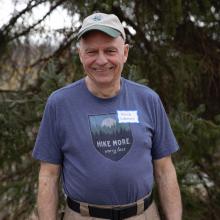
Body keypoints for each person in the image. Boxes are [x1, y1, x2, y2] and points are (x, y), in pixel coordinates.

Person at [33, 12, 182, 220]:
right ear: (80, 54)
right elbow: (48, 175)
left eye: (110, 50)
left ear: (125, 53)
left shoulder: (148, 100)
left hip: (144, 215)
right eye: (92, 51)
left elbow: (165, 171)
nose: (101, 60)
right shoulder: (59, 104)